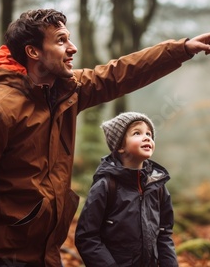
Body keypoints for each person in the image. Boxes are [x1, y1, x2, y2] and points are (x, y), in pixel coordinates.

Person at [0, 8, 210, 267]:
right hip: (1, 256)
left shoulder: (67, 92)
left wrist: (182, 49)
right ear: (33, 52)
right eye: (61, 40)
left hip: (47, 254)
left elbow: (120, 73)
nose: (72, 48)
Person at [75, 112, 178, 267]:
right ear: (120, 146)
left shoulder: (158, 186)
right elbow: (87, 237)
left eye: (149, 134)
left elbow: (164, 233)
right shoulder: (106, 186)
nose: (147, 137)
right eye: (137, 133)